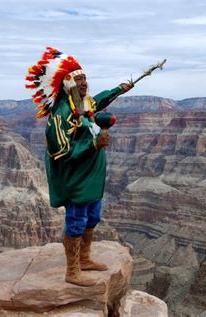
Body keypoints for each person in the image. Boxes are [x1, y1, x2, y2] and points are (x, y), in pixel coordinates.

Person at [26, 47, 133, 286]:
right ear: (66, 83)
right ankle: (72, 271)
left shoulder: (80, 103)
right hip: (76, 179)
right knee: (76, 221)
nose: (84, 83)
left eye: (85, 78)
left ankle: (84, 258)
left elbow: (97, 102)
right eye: (78, 79)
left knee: (92, 218)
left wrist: (119, 89)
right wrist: (94, 144)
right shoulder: (60, 115)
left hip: (92, 177)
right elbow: (59, 152)